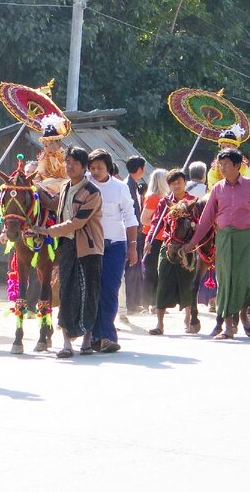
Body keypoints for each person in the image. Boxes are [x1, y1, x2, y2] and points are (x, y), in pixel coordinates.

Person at [184, 149, 250, 339]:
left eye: (226, 164)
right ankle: (228, 327)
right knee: (225, 279)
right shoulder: (217, 188)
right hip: (222, 237)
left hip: (245, 238)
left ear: (238, 166)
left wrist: (249, 227)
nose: (222, 168)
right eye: (220, 164)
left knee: (244, 279)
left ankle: (244, 316)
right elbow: (206, 219)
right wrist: (193, 242)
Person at [40, 147, 103, 357]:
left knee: (88, 294)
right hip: (67, 247)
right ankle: (66, 344)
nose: (70, 166)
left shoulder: (92, 192)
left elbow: (77, 223)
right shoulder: (65, 186)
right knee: (65, 292)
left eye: (75, 163)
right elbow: (54, 207)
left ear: (84, 167)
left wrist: (48, 231)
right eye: (67, 162)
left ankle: (86, 341)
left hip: (89, 248)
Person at [86, 149, 139, 353]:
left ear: (109, 167)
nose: (96, 171)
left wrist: (133, 246)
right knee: (92, 290)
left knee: (109, 289)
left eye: (100, 167)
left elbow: (130, 216)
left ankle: (107, 336)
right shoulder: (85, 185)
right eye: (92, 168)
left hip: (116, 244)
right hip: (91, 244)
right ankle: (91, 336)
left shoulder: (120, 188)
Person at [149, 170, 201, 335]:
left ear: (185, 182)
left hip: (188, 248)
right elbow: (155, 223)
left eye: (179, 182)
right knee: (163, 281)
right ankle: (159, 324)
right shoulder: (164, 203)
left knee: (187, 282)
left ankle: (188, 320)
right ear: (169, 185)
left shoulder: (194, 202)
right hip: (168, 246)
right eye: (172, 183)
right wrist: (149, 240)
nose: (176, 185)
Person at [139, 167, 167, 313]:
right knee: (151, 271)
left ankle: (156, 302)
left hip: (162, 238)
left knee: (159, 271)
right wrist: (159, 224)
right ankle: (147, 303)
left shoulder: (164, 198)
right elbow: (144, 219)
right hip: (153, 238)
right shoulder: (153, 198)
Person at [123, 155, 148, 314]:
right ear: (140, 169)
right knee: (131, 268)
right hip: (130, 233)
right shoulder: (127, 186)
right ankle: (130, 303)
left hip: (135, 231)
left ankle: (134, 302)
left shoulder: (133, 185)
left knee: (135, 268)